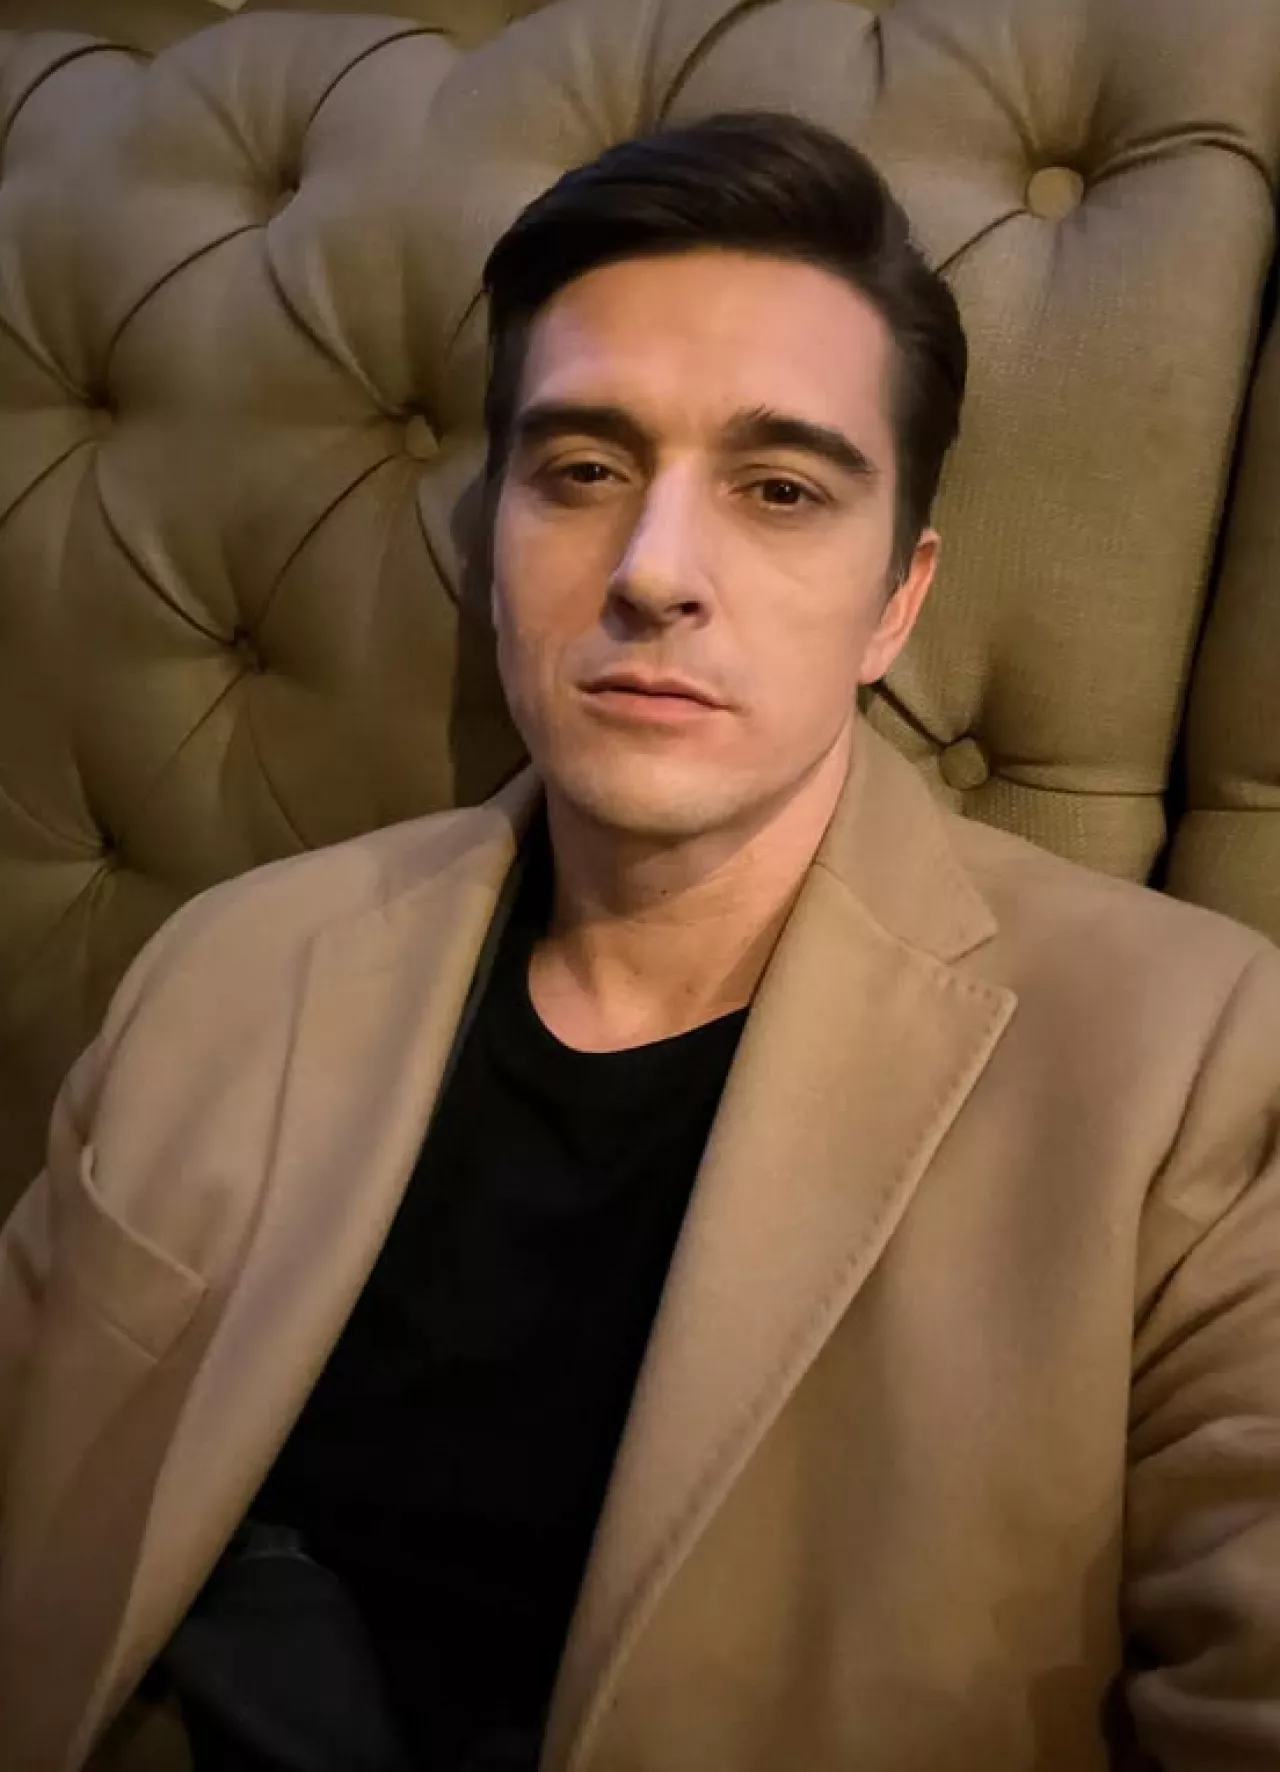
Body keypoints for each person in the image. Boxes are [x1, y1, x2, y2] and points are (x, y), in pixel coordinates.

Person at [1, 110, 1278, 1772]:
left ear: (898, 599)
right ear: (497, 541)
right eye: (584, 472)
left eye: (780, 489)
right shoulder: (229, 972)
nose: (657, 572)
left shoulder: (1190, 1070)